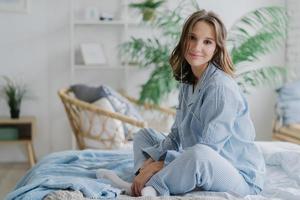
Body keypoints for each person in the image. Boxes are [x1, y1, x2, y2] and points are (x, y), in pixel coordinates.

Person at [97, 9, 266, 197]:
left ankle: (154, 187)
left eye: (207, 42)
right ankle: (140, 181)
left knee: (199, 154)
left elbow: (209, 150)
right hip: (197, 158)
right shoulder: (189, 80)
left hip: (238, 176)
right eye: (192, 38)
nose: (196, 47)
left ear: (217, 48)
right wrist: (150, 161)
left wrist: (157, 165)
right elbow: (177, 135)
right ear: (184, 38)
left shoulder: (220, 88)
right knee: (144, 136)